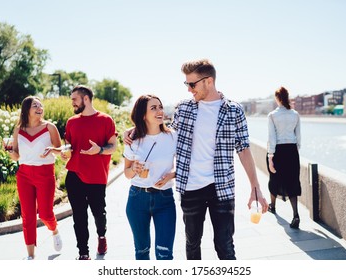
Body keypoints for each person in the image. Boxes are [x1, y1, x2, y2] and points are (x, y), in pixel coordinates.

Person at [125, 59, 268, 260]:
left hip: (222, 188)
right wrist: (134, 131)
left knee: (225, 246)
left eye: (192, 84)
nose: (189, 90)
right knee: (192, 245)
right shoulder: (183, 108)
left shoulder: (234, 110)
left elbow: (243, 150)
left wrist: (256, 189)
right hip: (191, 188)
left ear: (208, 81)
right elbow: (163, 132)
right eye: (187, 85)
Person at [63, 85, 117, 260]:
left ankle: (102, 236)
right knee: (79, 216)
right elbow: (69, 146)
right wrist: (63, 152)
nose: (72, 103)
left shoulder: (106, 120)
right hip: (74, 175)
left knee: (99, 213)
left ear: (85, 99)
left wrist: (99, 150)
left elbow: (113, 147)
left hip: (96, 176)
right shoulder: (72, 122)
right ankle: (83, 253)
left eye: (74, 99)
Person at [8, 96, 63, 260]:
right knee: (28, 215)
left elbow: (62, 150)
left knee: (45, 214)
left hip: (45, 174)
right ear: (27, 110)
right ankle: (31, 256)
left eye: (40, 105)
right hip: (24, 174)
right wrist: (11, 153)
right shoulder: (19, 130)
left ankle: (54, 230)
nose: (39, 107)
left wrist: (52, 149)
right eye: (35, 105)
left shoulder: (49, 127)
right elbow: (16, 155)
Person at [123, 94, 177, 260]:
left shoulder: (173, 137)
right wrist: (134, 168)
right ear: (143, 115)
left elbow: (185, 166)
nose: (159, 111)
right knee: (141, 252)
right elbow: (127, 173)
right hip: (137, 198)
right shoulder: (133, 139)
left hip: (165, 199)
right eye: (153, 108)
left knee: (165, 254)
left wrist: (170, 176)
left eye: (160, 107)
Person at [266, 86, 302, 229]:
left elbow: (271, 137)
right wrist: (294, 151)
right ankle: (296, 215)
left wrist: (270, 156)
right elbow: (298, 137)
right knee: (293, 181)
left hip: (278, 150)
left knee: (274, 177)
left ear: (277, 98)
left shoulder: (272, 115)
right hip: (292, 150)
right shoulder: (295, 114)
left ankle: (273, 207)